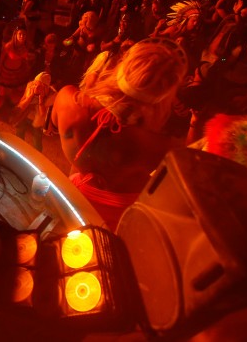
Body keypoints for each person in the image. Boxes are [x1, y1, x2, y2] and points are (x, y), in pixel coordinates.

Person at [51, 38, 188, 230]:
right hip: (118, 217)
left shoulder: (68, 101)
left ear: (122, 66)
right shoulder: (161, 146)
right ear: (165, 96)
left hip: (73, 200)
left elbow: (57, 122)